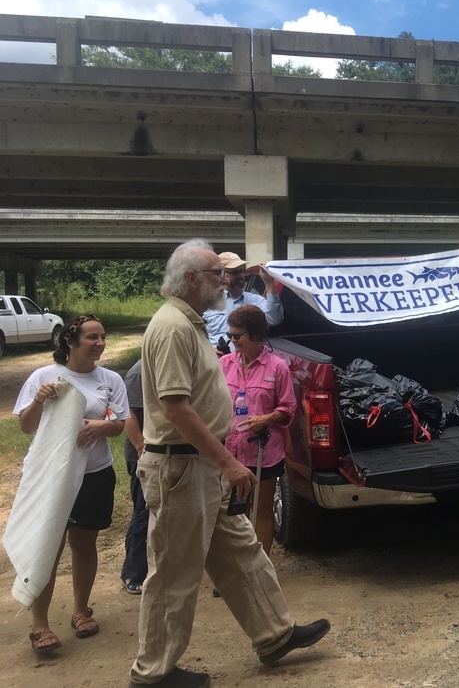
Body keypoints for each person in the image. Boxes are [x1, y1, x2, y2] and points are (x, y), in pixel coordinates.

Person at [129, 239, 329, 688]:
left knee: (242, 554)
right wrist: (229, 464)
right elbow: (176, 409)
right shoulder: (173, 328)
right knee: (174, 573)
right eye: (218, 273)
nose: (227, 280)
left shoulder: (190, 323)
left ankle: (274, 635)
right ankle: (152, 673)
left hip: (199, 466)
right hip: (183, 468)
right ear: (191, 278)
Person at [13, 315, 128, 653]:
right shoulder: (44, 377)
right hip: (52, 476)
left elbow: (119, 422)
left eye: (103, 337)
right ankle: (39, 625)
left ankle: (81, 611)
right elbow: (25, 427)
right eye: (92, 337)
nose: (100, 343)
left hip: (94, 473)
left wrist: (102, 427)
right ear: (71, 342)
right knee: (48, 546)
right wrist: (39, 400)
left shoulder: (110, 379)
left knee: (84, 542)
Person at [221, 304, 295, 556]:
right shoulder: (223, 364)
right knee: (234, 511)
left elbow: (288, 408)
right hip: (231, 452)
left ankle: (259, 568)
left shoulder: (277, 367)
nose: (232, 340)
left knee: (261, 510)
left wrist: (265, 419)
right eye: (230, 335)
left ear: (255, 335)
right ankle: (234, 568)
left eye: (237, 335)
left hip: (264, 450)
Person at [202, 250, 283, 352]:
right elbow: (195, 336)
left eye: (241, 271)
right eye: (235, 272)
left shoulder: (255, 300)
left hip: (248, 363)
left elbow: (274, 319)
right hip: (217, 362)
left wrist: (270, 284)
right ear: (221, 274)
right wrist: (209, 350)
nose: (240, 276)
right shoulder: (207, 303)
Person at [120, 358, 148, 595]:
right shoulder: (139, 372)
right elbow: (127, 413)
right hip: (142, 454)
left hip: (159, 452)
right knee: (144, 510)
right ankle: (133, 572)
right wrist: (141, 448)